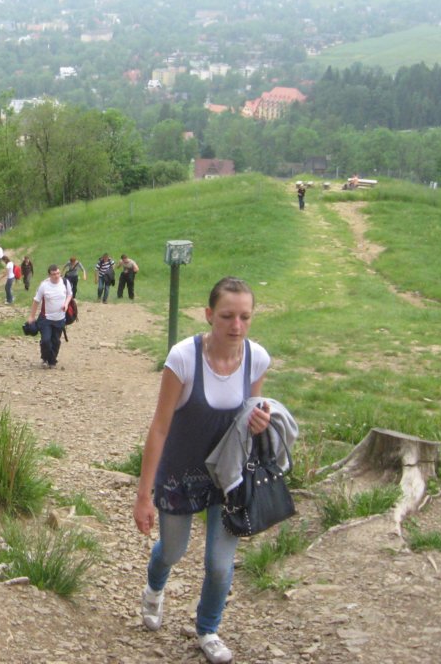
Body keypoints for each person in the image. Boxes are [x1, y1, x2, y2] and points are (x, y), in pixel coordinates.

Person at [132, 278, 272, 664]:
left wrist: (261, 421)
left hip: (228, 477)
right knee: (173, 550)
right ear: (209, 315)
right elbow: (160, 426)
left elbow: (251, 414)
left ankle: (208, 628)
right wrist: (143, 496)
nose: (236, 326)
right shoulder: (183, 358)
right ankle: (154, 588)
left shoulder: (257, 358)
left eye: (245, 317)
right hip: (180, 474)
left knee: (219, 564)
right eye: (227, 316)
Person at [26, 264, 73, 369]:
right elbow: (36, 301)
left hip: (60, 318)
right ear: (49, 275)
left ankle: (52, 361)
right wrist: (32, 316)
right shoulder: (44, 285)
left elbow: (69, 294)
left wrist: (66, 304)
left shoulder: (65, 282)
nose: (56, 276)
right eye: (53, 274)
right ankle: (45, 357)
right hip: (46, 319)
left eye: (58, 273)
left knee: (56, 341)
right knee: (46, 340)